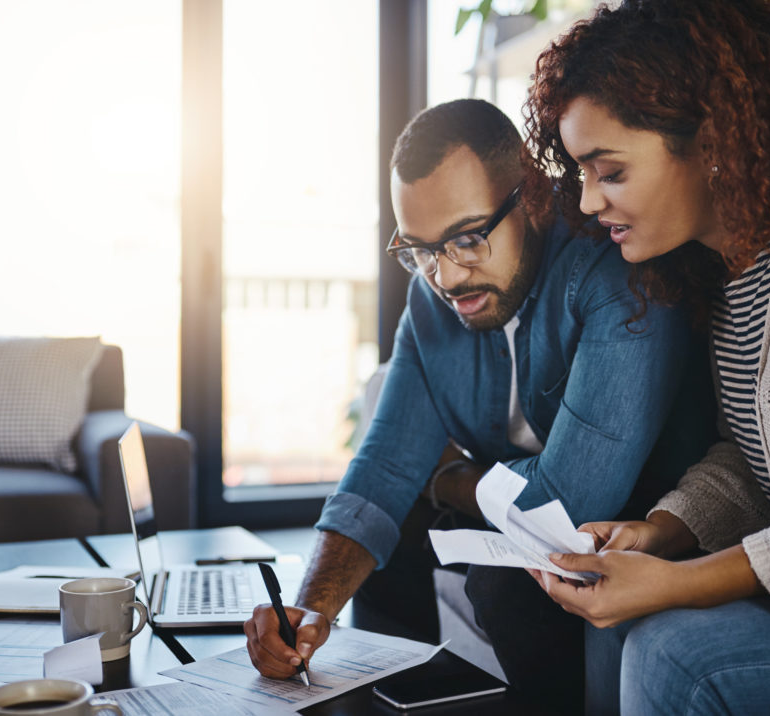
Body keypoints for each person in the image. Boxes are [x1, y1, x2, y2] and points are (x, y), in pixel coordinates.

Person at [243, 98, 716, 706]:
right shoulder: (430, 297)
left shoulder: (613, 273)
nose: (445, 277)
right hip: (516, 521)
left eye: (467, 238)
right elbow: (385, 468)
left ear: (535, 197)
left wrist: (449, 479)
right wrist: (307, 608)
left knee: (504, 584)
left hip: (631, 533)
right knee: (390, 532)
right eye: (419, 249)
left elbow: (569, 502)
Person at [518, 0, 770, 713]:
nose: (589, 202)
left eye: (611, 172)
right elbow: (763, 467)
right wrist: (660, 533)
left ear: (714, 144)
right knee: (618, 622)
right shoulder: (735, 275)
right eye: (581, 173)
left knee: (675, 656)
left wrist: (683, 582)